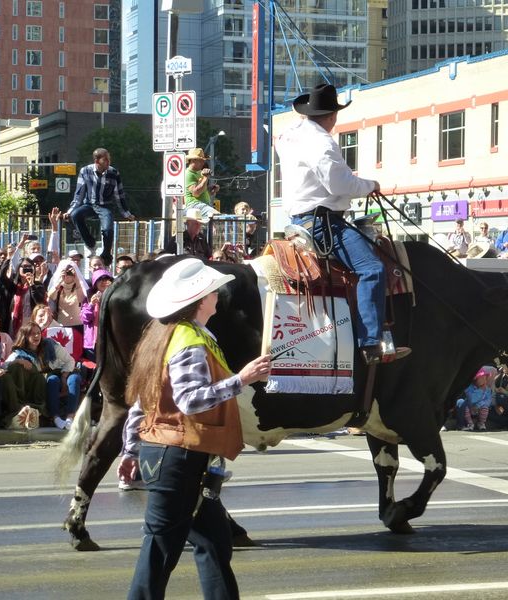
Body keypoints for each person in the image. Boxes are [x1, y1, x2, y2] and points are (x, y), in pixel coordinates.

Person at [117, 258, 271, 600]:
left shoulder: (169, 333)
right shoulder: (189, 340)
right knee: (160, 551)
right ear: (201, 299)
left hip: (179, 456)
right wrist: (243, 379)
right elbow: (191, 400)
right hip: (178, 458)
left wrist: (130, 450)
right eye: (213, 290)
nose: (218, 295)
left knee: (214, 543)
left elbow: (141, 402)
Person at [275, 82, 409, 365]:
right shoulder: (321, 142)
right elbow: (338, 184)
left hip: (298, 220)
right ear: (333, 115)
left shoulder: (289, 134)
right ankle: (371, 342)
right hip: (324, 223)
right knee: (372, 269)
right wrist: (370, 185)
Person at [64, 148, 136, 266]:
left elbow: (119, 195)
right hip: (89, 205)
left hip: (105, 206)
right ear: (97, 161)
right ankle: (90, 243)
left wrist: (126, 213)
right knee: (76, 215)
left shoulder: (113, 173)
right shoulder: (85, 171)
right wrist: (70, 211)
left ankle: (106, 254)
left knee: (107, 229)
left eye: (109, 159)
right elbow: (79, 194)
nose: (108, 162)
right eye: (105, 160)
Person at [6, 322, 80, 430]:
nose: (37, 336)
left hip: (67, 370)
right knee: (52, 381)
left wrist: (64, 377)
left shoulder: (50, 344)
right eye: (33, 334)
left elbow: (70, 360)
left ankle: (70, 418)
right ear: (25, 336)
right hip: (50, 375)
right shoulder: (20, 352)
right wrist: (18, 361)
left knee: (74, 379)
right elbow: (5, 365)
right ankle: (55, 418)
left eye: (38, 333)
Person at [47, 258, 88, 332]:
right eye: (65, 270)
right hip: (61, 326)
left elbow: (81, 300)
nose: (68, 273)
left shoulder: (79, 286)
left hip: (78, 326)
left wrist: (76, 279)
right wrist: (60, 280)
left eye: (70, 271)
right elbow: (51, 297)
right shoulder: (58, 287)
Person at [81, 269, 113, 361]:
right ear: (95, 283)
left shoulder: (116, 297)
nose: (103, 282)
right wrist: (91, 305)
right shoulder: (89, 297)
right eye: (100, 279)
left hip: (110, 341)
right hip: (93, 343)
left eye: (106, 279)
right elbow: (84, 319)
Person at [184, 148, 221, 219]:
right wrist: (205, 178)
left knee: (214, 220)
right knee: (217, 218)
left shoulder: (199, 173)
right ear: (193, 160)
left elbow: (201, 192)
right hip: (194, 205)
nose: (203, 163)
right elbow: (196, 193)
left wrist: (211, 190)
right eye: (201, 160)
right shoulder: (188, 174)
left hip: (202, 205)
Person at [455, 367, 494, 431]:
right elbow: (472, 399)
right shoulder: (470, 388)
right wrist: (480, 390)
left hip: (479, 408)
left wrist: (479, 405)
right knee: (466, 408)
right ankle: (470, 423)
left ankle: (481, 423)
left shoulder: (488, 389)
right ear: (475, 379)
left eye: (485, 377)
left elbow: (488, 400)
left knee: (485, 407)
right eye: (481, 378)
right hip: (470, 407)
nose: (484, 379)